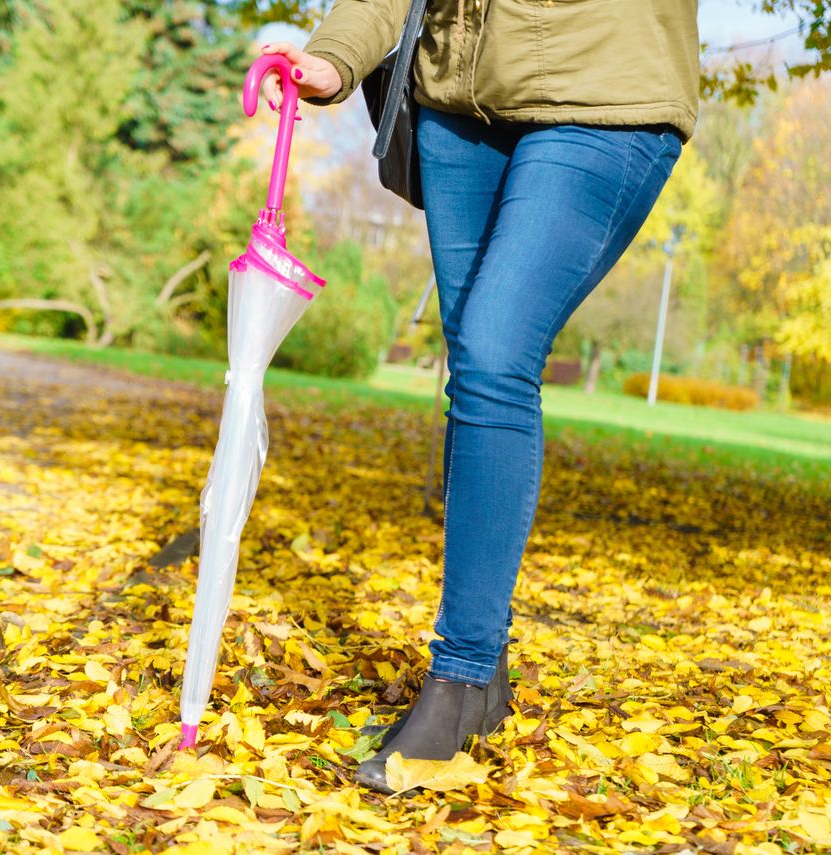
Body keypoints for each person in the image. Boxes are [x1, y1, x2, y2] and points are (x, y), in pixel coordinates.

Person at [258, 0, 699, 793]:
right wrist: (335, 53)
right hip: (456, 103)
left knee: (496, 351)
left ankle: (457, 678)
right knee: (477, 369)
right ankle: (484, 675)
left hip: (602, 97)